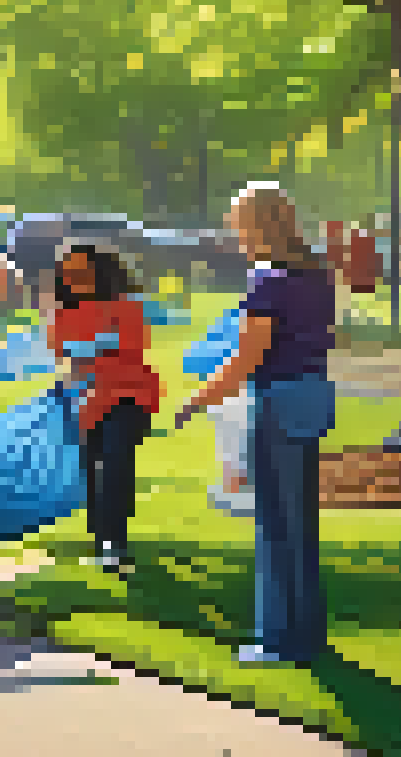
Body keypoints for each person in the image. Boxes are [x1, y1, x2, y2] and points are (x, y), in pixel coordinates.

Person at [172, 183, 338, 667]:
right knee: (301, 525)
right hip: (313, 396)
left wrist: (196, 400)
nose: (232, 229)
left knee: (275, 526)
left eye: (237, 220)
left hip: (277, 401)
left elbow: (247, 357)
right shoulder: (317, 275)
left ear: (259, 225)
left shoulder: (266, 280)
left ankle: (279, 643)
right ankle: (307, 635)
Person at [50, 245, 156, 575]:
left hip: (127, 399)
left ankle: (114, 548)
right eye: (67, 274)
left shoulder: (126, 306)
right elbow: (62, 356)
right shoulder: (64, 312)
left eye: (81, 272)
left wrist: (87, 348)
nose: (73, 280)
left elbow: (132, 343)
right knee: (92, 474)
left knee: (113, 471)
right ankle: (102, 544)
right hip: (85, 403)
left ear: (101, 272)